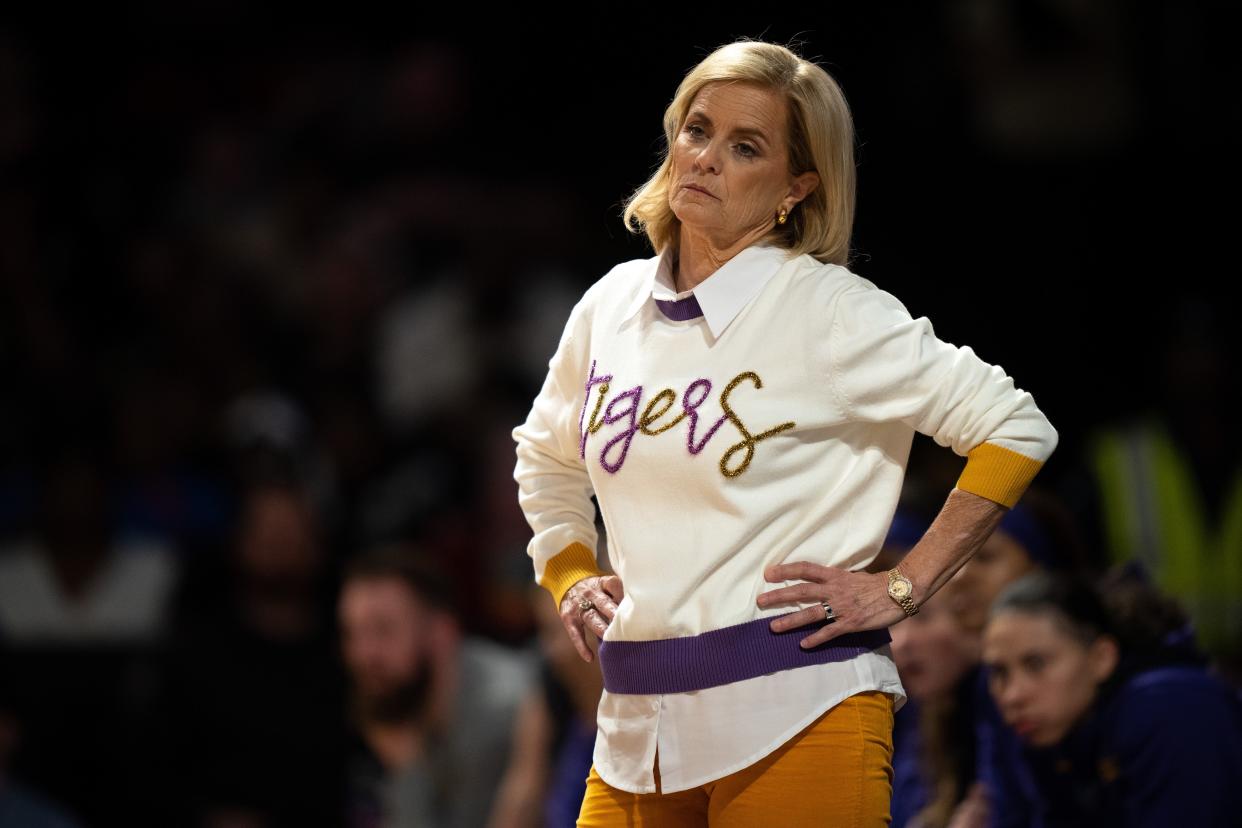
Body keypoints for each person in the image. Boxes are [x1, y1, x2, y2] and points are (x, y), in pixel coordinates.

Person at [511, 38, 1059, 826]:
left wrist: (903, 587)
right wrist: (568, 571)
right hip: (635, 725)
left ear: (795, 188)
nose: (704, 158)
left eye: (745, 147)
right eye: (696, 130)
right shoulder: (610, 304)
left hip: (798, 713)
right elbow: (546, 453)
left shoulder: (828, 309)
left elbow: (1015, 426)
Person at [979, 569, 1242, 826]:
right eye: (999, 673)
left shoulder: (1173, 708)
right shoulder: (1058, 734)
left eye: (1036, 664)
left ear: (1101, 658)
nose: (1012, 695)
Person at [338, 543, 537, 828]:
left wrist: (407, 771)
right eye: (352, 633)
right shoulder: (410, 708)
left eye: (383, 630)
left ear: (441, 633)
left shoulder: (500, 715)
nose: (363, 654)